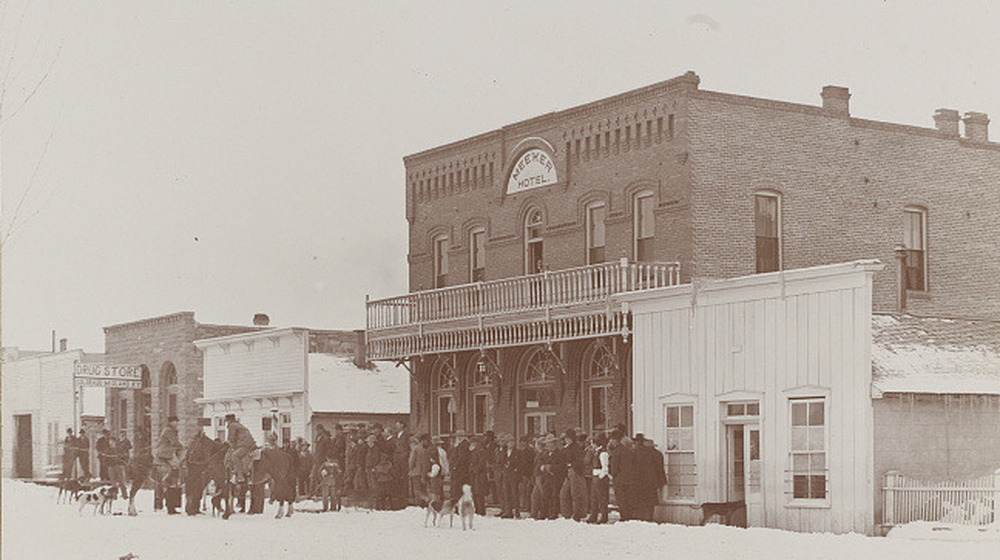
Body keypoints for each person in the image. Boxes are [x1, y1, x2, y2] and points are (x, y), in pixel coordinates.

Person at [634, 434, 667, 522]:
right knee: (650, 502)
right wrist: (662, 481)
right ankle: (649, 518)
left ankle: (641, 518)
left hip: (640, 480)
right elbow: (660, 469)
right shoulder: (657, 454)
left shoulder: (637, 453)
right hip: (652, 481)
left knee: (641, 500)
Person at [155, 417, 183, 514]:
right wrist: (182, 446)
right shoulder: (169, 430)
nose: (176, 423)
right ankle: (174, 480)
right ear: (171, 422)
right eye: (175, 422)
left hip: (169, 452)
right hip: (165, 453)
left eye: (176, 422)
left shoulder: (170, 429)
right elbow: (174, 442)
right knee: (177, 467)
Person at [559, 429, 588, 521]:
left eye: (568, 438)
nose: (566, 440)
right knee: (564, 493)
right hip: (568, 472)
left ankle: (577, 514)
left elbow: (580, 462)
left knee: (575, 494)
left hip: (575, 472)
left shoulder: (576, 448)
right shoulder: (567, 448)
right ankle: (567, 513)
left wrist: (571, 464)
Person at [609, 431, 636, 521]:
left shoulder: (616, 451)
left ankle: (624, 517)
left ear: (614, 440)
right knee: (628, 498)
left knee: (621, 499)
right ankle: (629, 515)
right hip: (628, 478)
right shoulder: (626, 450)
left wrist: (613, 474)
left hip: (619, 479)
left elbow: (614, 469)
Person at [224, 414, 257, 482]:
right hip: (249, 444)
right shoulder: (238, 425)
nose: (227, 423)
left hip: (245, 445)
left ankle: (240, 476)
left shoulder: (232, 426)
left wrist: (226, 443)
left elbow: (231, 439)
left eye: (227, 421)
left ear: (229, 420)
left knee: (234, 455)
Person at [587, 433, 611, 524]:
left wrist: (600, 477)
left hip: (600, 477)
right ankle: (594, 515)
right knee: (594, 498)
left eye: (593, 443)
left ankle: (604, 516)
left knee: (602, 498)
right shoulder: (596, 453)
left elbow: (605, 467)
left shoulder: (603, 453)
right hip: (595, 476)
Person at [469, 436, 489, 515]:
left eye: (473, 443)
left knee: (479, 493)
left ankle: (481, 511)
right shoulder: (474, 452)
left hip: (479, 476)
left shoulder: (481, 451)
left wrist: (475, 469)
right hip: (474, 475)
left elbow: (482, 463)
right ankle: (477, 510)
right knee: (475, 493)